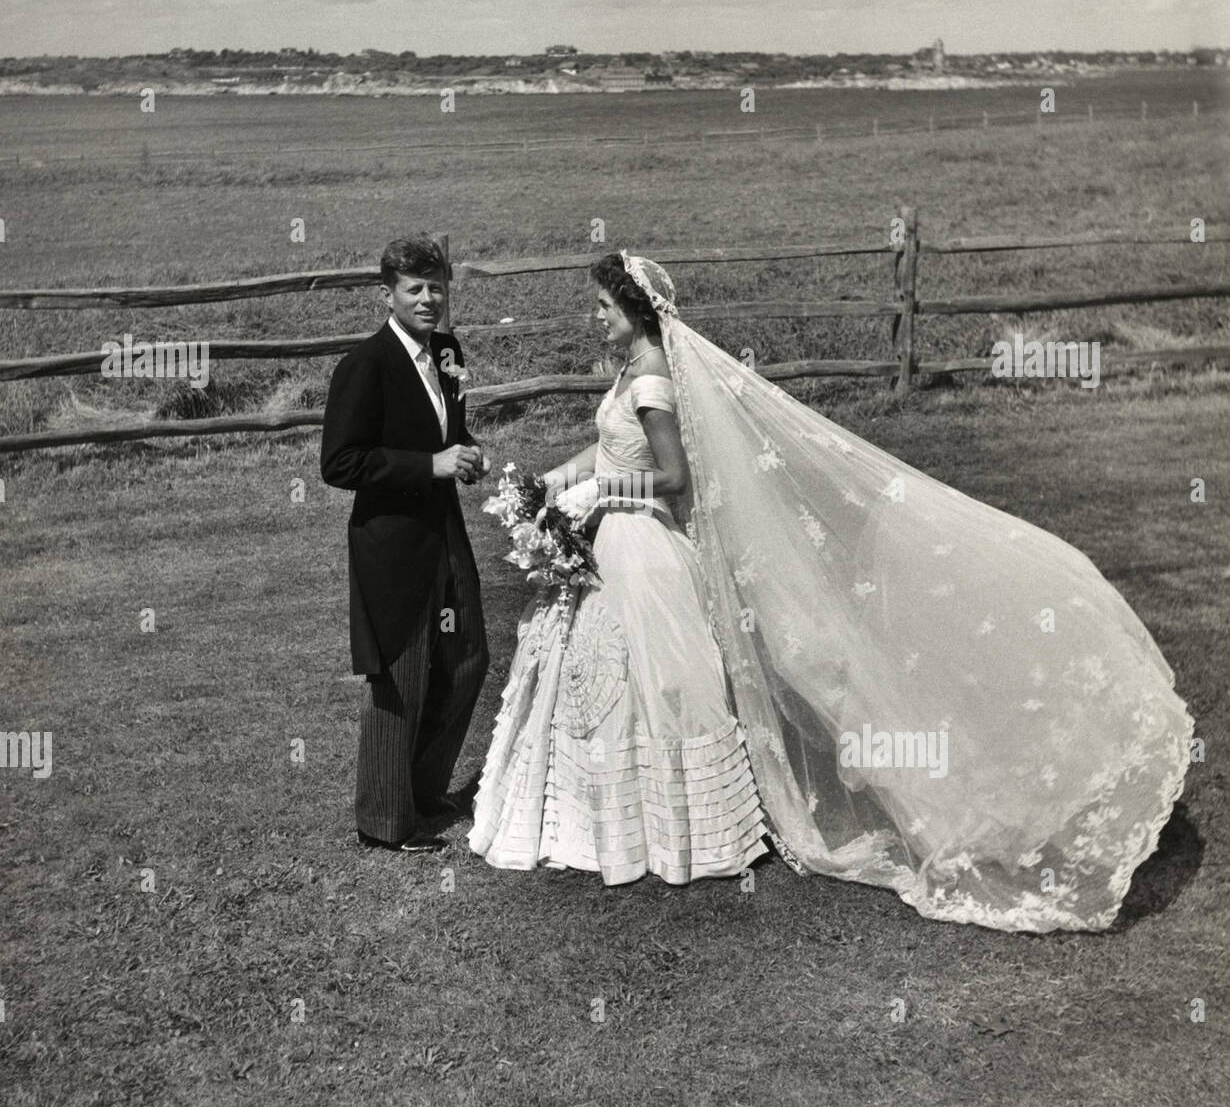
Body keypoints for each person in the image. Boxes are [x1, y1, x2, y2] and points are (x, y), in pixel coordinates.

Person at [469, 252, 1193, 931]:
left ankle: (680, 829)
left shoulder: (654, 376)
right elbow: (607, 445)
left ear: (637, 311)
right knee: (611, 678)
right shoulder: (629, 370)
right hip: (615, 539)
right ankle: (614, 822)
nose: (595, 317)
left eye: (604, 306)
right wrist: (552, 483)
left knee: (658, 681)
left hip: (643, 544)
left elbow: (673, 478)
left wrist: (600, 491)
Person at [321, 234, 489, 853]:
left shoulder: (448, 350)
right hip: (391, 545)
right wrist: (430, 466)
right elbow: (339, 463)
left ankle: (422, 789)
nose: (428, 299)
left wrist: (466, 454)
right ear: (387, 294)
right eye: (414, 289)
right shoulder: (365, 365)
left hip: (444, 530)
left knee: (468, 658)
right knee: (403, 674)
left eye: (436, 286)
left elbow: (453, 425)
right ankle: (386, 823)